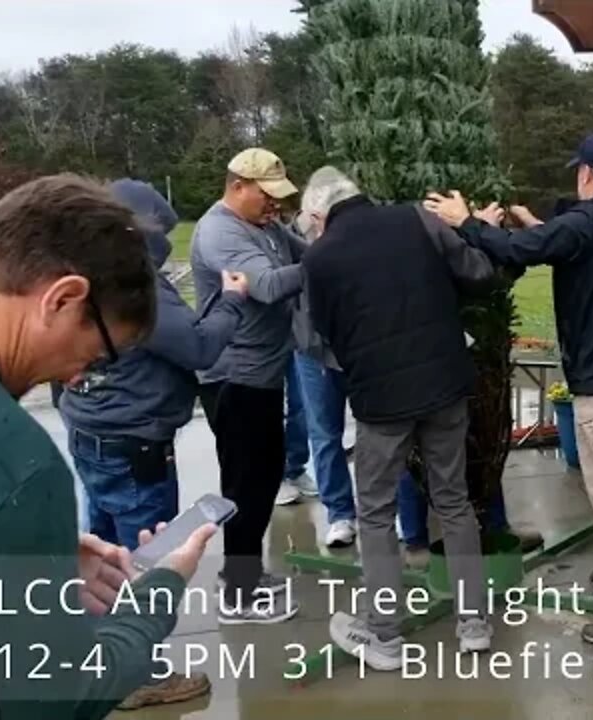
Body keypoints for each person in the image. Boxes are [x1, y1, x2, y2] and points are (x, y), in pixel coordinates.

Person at [0, 175, 216, 718]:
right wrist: (157, 592)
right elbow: (63, 698)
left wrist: (17, 549)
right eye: (100, 353)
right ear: (62, 299)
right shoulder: (6, 459)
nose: (81, 373)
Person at [424, 133, 593, 646]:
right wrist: (541, 225)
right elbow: (570, 244)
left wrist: (463, 221)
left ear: (584, 175)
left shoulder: (589, 223)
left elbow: (517, 250)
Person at [56, 178, 247, 709]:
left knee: (107, 551)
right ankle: (140, 673)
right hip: (136, 440)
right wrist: (231, 300)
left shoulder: (77, 276)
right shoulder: (133, 287)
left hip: (93, 433)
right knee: (147, 558)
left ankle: (98, 652)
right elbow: (199, 348)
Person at [299, 166, 497, 670]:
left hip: (380, 401)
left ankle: (384, 634)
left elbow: (317, 333)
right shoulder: (417, 219)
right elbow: (477, 274)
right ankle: (473, 623)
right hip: (446, 386)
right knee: (453, 500)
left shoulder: (319, 256)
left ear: (319, 216)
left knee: (376, 512)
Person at [191, 148, 305, 625]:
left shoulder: (266, 226)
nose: (274, 204)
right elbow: (270, 286)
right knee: (245, 486)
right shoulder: (220, 231)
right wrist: (335, 262)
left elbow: (307, 255)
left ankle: (247, 574)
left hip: (263, 375)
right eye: (266, 194)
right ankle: (238, 596)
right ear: (238, 185)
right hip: (233, 379)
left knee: (263, 478)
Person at [290, 168, 360, 548]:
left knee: (376, 430)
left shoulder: (358, 234)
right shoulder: (299, 232)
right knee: (324, 432)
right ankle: (340, 514)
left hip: (354, 346)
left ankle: (385, 510)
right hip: (312, 349)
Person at [278, 363, 320, 506]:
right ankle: (275, 477)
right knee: (270, 403)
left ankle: (295, 468)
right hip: (264, 346)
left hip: (296, 344)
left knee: (301, 403)